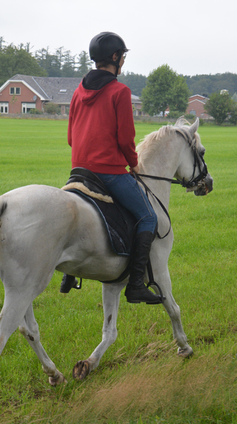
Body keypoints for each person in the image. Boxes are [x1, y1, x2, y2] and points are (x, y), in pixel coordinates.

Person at [66, 32, 162, 305]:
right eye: (123, 56)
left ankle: (69, 273)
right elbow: (125, 139)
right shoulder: (120, 91)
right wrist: (133, 164)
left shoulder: (77, 92)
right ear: (115, 57)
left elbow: (71, 138)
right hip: (108, 171)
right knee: (148, 218)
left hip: (79, 171)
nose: (123, 61)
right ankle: (135, 285)